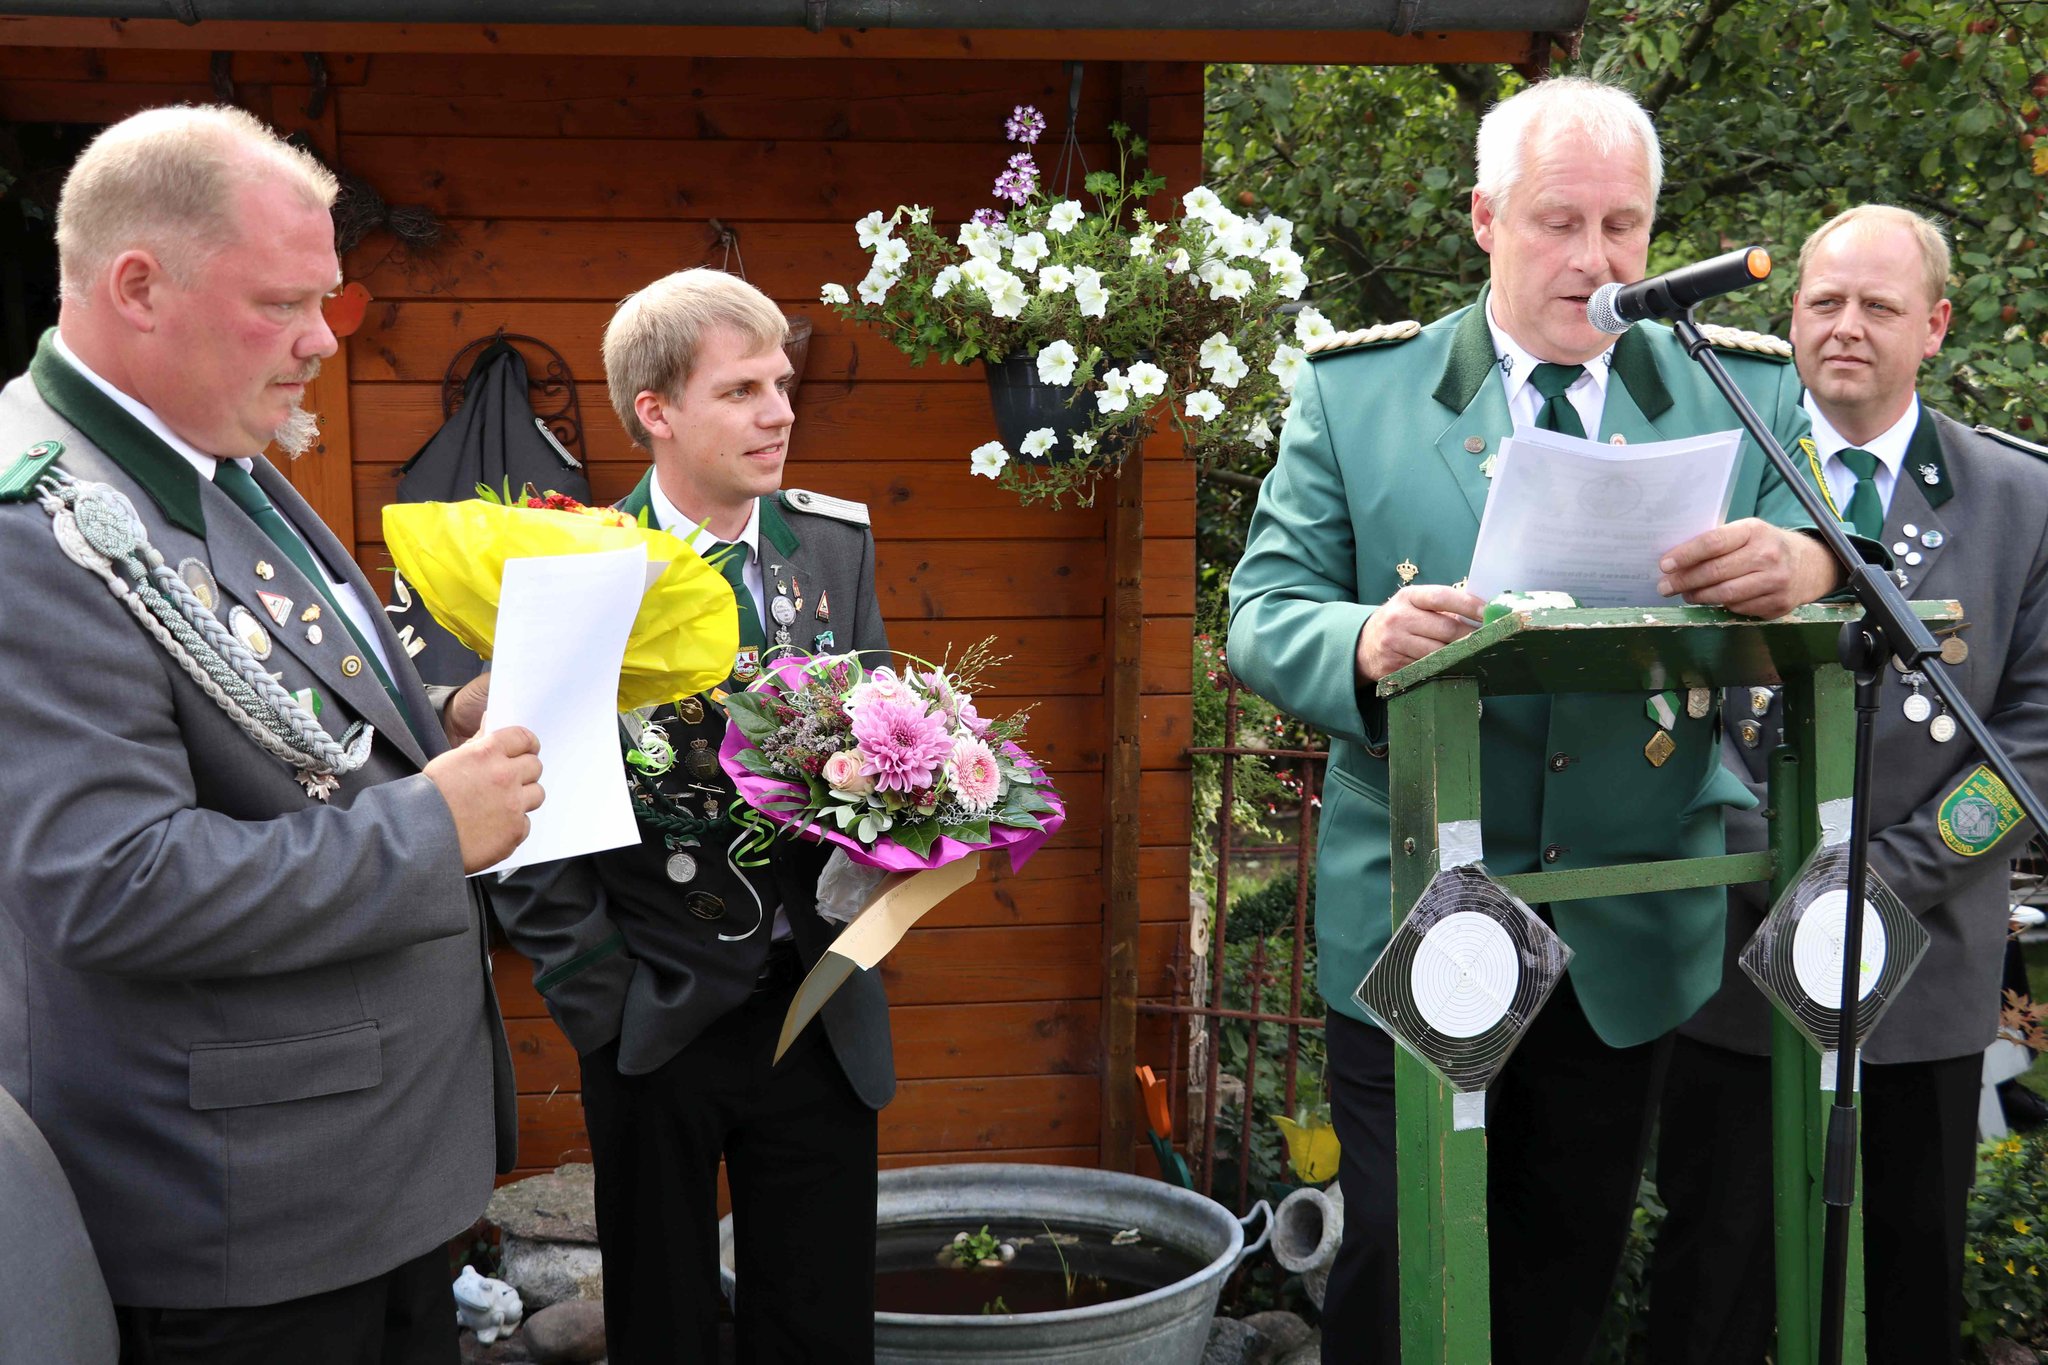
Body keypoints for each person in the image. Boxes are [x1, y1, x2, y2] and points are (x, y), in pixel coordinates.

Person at [1228, 76, 1869, 1364]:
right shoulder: (1360, 396)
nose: (1595, 259)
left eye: (1623, 226)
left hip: (1626, 919)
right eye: (1556, 222)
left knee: (1561, 1265)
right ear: (1482, 218)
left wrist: (1807, 563)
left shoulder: (1725, 389)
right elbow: (1260, 609)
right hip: (1415, 907)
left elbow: (1832, 540)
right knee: (1406, 1270)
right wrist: (1357, 637)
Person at [0, 106, 542, 1364]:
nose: (319, 345)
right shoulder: (39, 527)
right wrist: (429, 827)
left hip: (362, 1183)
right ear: (139, 286)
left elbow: (288, 716)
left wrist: (441, 724)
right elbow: (111, 882)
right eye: (283, 305)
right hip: (247, 1228)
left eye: (330, 305)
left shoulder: (205, 461)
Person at [1648, 204, 2048, 1365]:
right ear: (1789, 317)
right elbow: (1658, 702)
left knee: (1905, 1285)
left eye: (1877, 306)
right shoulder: (1706, 481)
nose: (1845, 327)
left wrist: (1883, 874)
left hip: (1919, 966)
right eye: (1821, 301)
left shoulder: (2018, 499)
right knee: (1708, 1280)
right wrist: (1770, 870)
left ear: (1931, 326)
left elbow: (2029, 742)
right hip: (1737, 949)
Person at [492, 268, 893, 1364]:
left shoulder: (831, 546)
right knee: (663, 1330)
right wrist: (601, 1000)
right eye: (741, 390)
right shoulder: (574, 565)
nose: (778, 412)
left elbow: (885, 751)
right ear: (654, 412)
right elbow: (525, 818)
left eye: (781, 383)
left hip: (819, 1006)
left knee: (818, 1330)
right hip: (654, 1014)